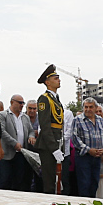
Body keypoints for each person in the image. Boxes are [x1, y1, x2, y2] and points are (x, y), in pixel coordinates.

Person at [30, 67, 66, 195]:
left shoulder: (55, 98)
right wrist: (54, 148)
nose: (59, 80)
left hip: (56, 141)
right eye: (56, 79)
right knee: (49, 181)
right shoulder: (44, 99)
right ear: (48, 82)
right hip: (47, 145)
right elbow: (45, 126)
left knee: (57, 181)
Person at [0, 94, 29, 191]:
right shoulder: (3, 115)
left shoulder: (25, 117)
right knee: (5, 179)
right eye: (19, 102)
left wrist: (31, 136)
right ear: (12, 102)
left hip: (21, 153)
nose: (22, 105)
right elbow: (1, 131)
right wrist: (14, 143)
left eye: (23, 103)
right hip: (7, 153)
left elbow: (31, 130)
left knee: (19, 180)